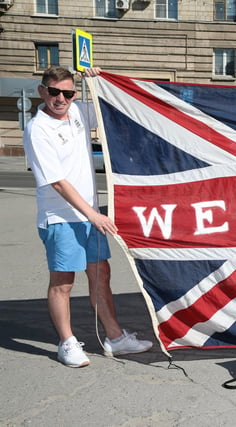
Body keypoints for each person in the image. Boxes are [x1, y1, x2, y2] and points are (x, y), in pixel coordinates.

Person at [23, 66, 152, 368]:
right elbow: (57, 181)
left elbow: (112, 107)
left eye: (67, 93)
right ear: (42, 91)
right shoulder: (37, 128)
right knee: (63, 282)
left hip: (89, 216)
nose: (60, 98)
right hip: (61, 217)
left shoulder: (79, 111)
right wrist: (94, 213)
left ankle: (115, 338)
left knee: (100, 276)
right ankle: (67, 342)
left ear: (74, 94)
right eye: (54, 91)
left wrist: (100, 79)